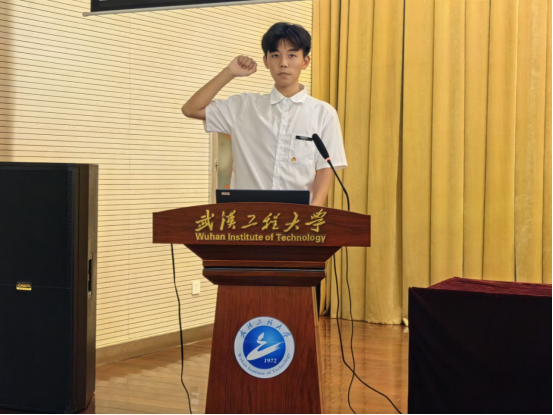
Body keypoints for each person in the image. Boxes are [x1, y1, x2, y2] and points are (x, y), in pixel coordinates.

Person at [182, 22, 347, 206]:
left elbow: (325, 170)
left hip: (297, 217)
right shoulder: (244, 106)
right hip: (246, 216)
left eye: (292, 55)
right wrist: (229, 72)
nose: (283, 63)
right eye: (275, 55)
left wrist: (312, 213)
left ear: (305, 61)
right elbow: (191, 109)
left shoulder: (323, 114)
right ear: (266, 61)